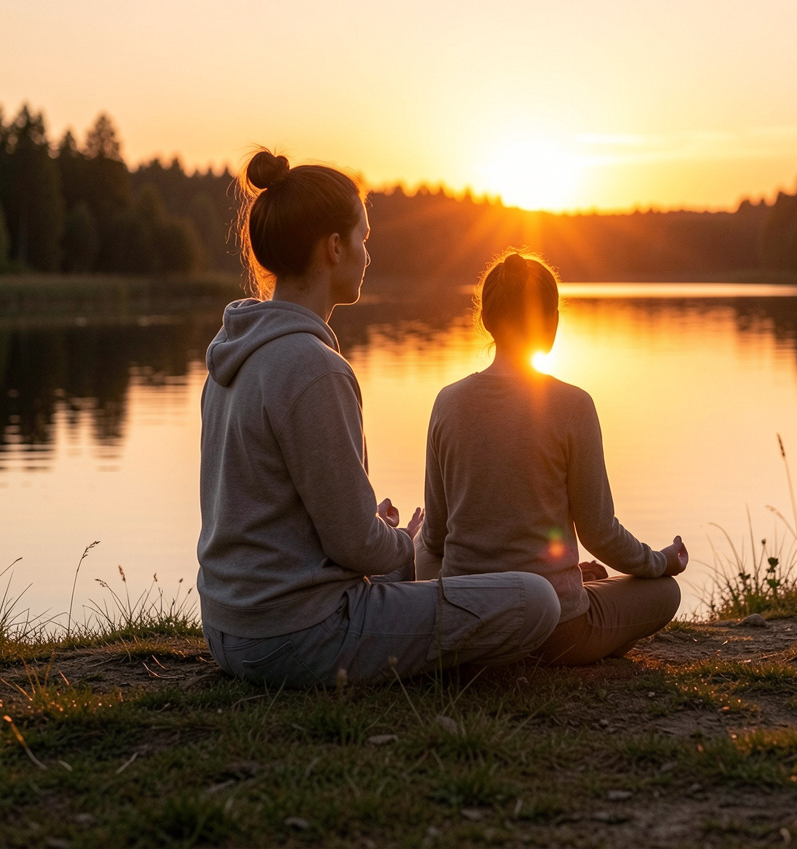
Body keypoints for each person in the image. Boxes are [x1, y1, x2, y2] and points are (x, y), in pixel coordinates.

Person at [198, 153, 560, 687]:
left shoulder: (234, 354)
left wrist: (378, 536)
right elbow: (354, 548)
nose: (368, 255)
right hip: (296, 637)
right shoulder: (314, 368)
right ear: (334, 247)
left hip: (228, 627)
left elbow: (287, 518)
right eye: (363, 239)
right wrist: (399, 542)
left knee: (397, 561)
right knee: (537, 600)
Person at [416, 250, 687, 666]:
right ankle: (583, 644)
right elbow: (598, 532)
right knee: (665, 591)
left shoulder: (446, 403)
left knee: (418, 545)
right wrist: (658, 561)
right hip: (555, 631)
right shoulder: (573, 405)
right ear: (552, 324)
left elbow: (434, 537)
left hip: (468, 622)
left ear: (485, 320)